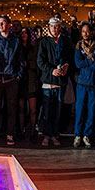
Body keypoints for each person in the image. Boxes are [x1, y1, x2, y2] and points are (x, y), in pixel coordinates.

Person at [37, 17, 73, 147]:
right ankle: (46, 134)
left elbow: (69, 57)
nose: (54, 29)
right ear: (49, 27)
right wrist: (51, 70)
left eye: (57, 26)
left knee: (58, 110)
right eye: (52, 26)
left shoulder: (65, 41)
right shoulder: (44, 42)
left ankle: (54, 134)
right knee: (47, 110)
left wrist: (66, 66)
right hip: (48, 81)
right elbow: (40, 61)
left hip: (60, 81)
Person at [0, 15, 23, 145]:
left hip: (11, 78)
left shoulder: (16, 41)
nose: (1, 25)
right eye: (0, 23)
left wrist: (18, 75)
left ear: (9, 25)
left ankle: (10, 134)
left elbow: (20, 60)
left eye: (4, 23)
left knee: (11, 108)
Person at [73, 22, 95, 148]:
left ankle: (87, 135)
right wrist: (90, 60)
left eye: (88, 31)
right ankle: (77, 135)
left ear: (91, 32)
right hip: (81, 84)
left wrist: (88, 63)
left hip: (93, 84)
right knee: (79, 111)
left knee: (91, 111)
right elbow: (78, 64)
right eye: (83, 31)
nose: (86, 34)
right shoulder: (78, 47)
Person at [18, 28, 40, 142]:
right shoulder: (18, 47)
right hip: (21, 80)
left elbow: (37, 62)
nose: (23, 35)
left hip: (31, 80)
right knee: (21, 108)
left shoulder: (33, 48)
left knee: (33, 109)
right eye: (22, 33)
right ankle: (21, 131)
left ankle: (32, 131)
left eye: (25, 32)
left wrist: (28, 64)